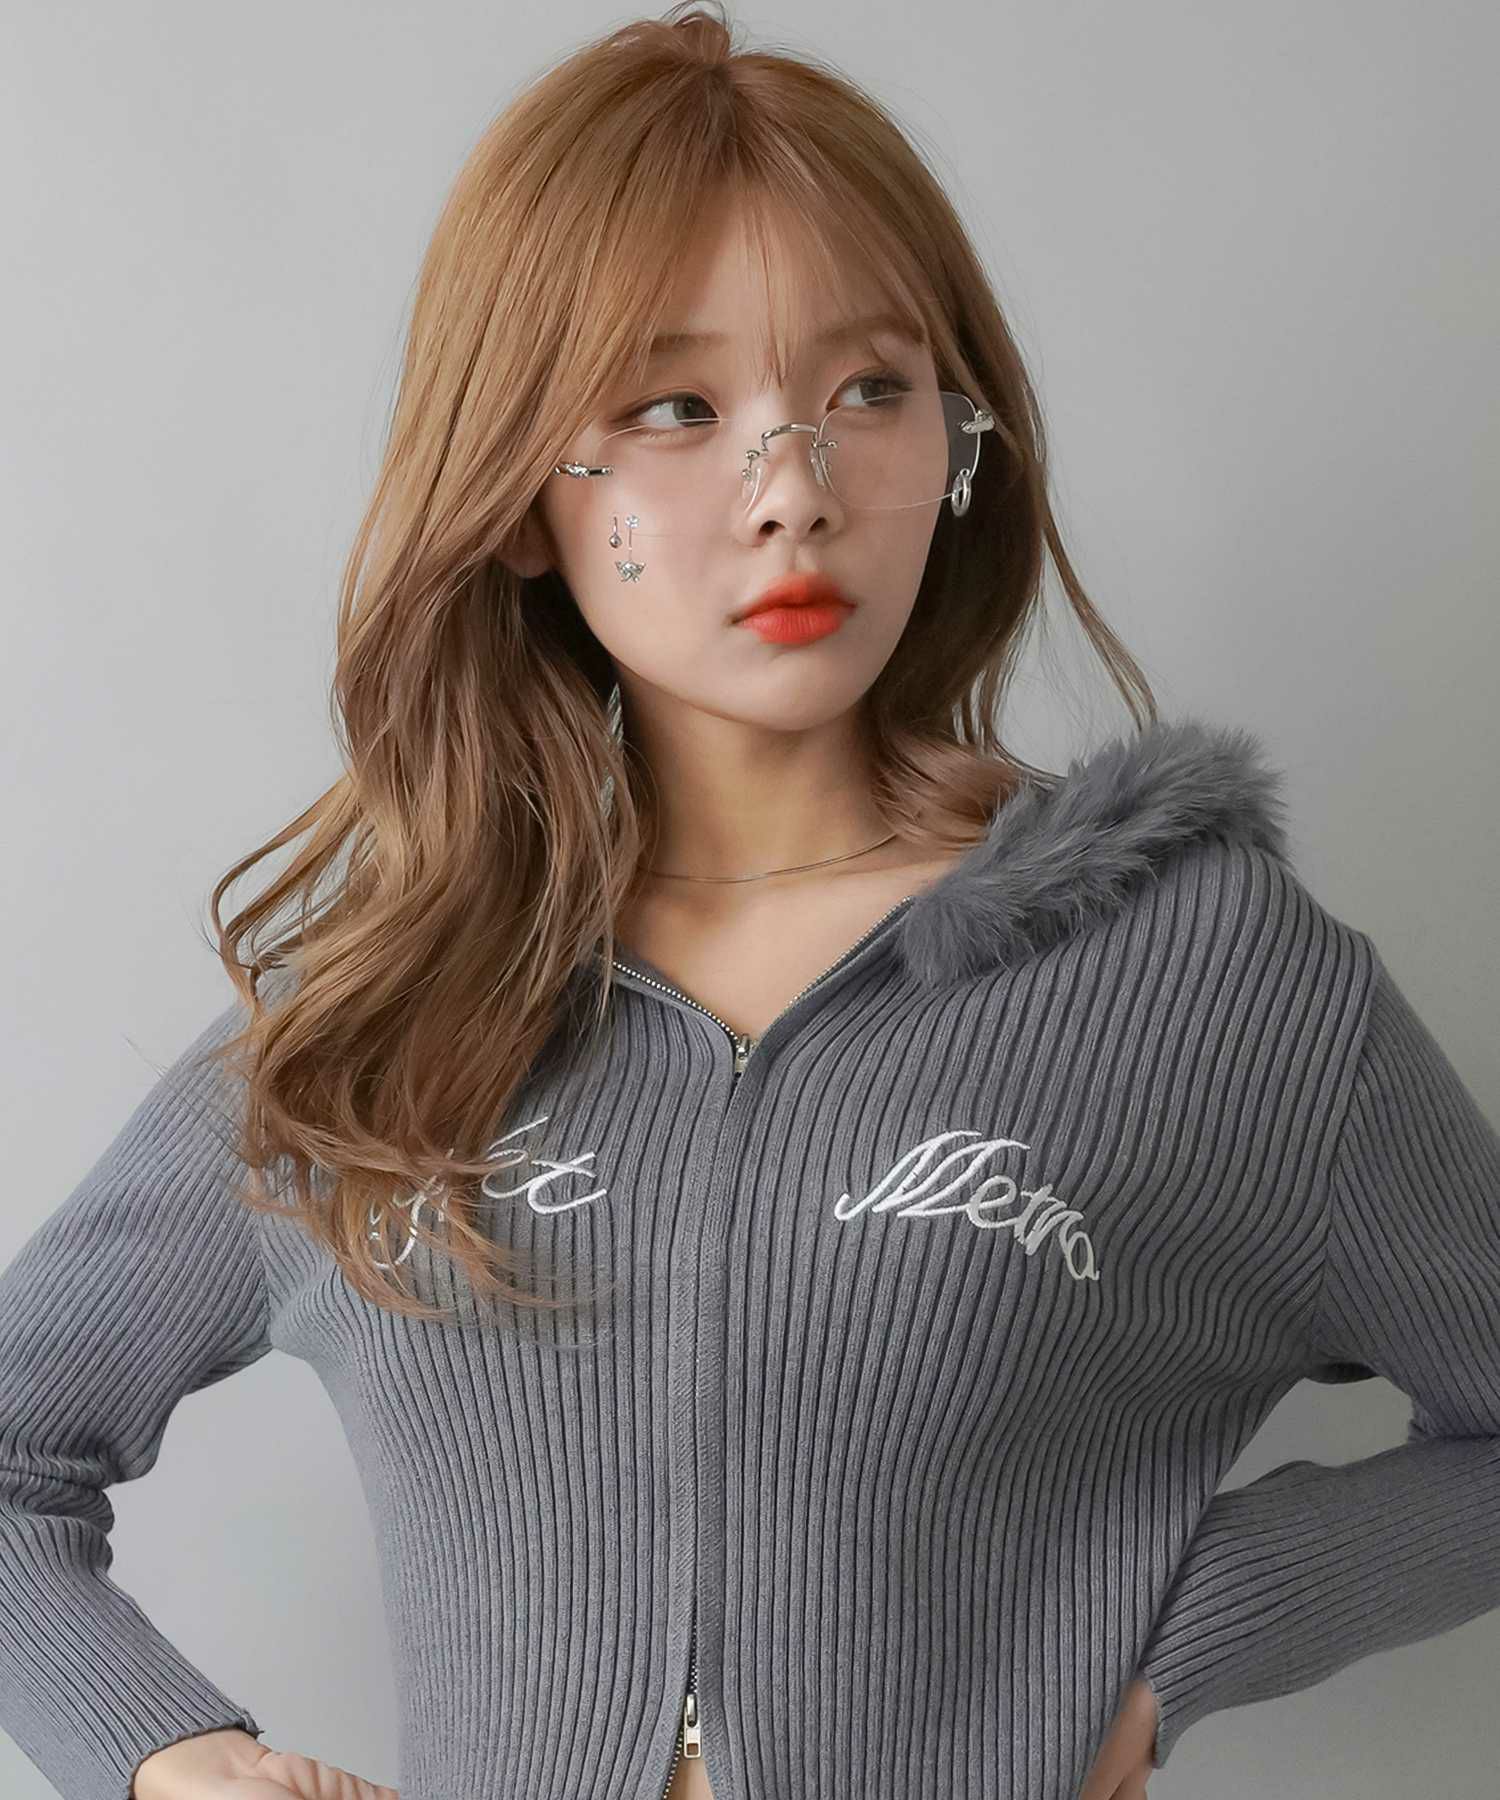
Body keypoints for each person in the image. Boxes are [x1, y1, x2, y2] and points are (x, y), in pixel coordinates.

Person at [2, 6, 1497, 1800]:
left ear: (958, 444)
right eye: (676, 409)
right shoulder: (384, 1027)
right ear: (522, 494)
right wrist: (169, 1761)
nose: (793, 492)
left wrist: (1179, 1650)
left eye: (869, 390)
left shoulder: (1198, 977)